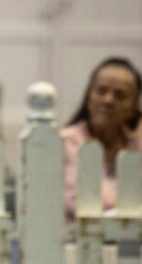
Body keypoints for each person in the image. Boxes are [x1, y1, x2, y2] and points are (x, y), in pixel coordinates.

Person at [59, 56, 142, 220]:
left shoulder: (137, 149)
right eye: (101, 91)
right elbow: (78, 202)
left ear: (134, 108)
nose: (108, 100)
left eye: (120, 95)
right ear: (88, 97)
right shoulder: (64, 143)